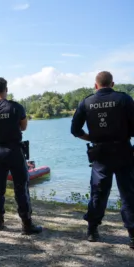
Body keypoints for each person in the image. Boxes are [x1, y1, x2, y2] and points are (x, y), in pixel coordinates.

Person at [71, 71, 134, 248]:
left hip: (100, 153)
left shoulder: (87, 101)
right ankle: (133, 234)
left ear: (95, 85)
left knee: (98, 192)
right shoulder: (124, 99)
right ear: (112, 84)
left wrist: (91, 138)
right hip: (123, 150)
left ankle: (92, 230)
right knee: (129, 193)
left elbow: (75, 130)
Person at [0, 77, 42, 235]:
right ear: (6, 89)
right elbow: (23, 127)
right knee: (21, 187)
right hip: (14, 150)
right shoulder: (15, 107)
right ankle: (26, 224)